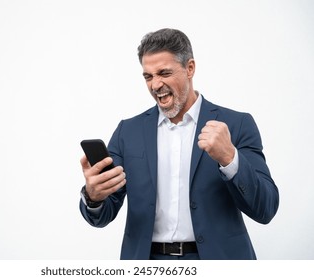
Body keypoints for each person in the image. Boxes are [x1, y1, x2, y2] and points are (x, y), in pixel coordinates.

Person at [79, 28, 279, 260]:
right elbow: (102, 216)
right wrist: (93, 196)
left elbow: (266, 209)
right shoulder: (128, 131)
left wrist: (230, 159)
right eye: (148, 76)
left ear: (190, 68)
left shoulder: (237, 124)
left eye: (164, 73)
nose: (155, 85)